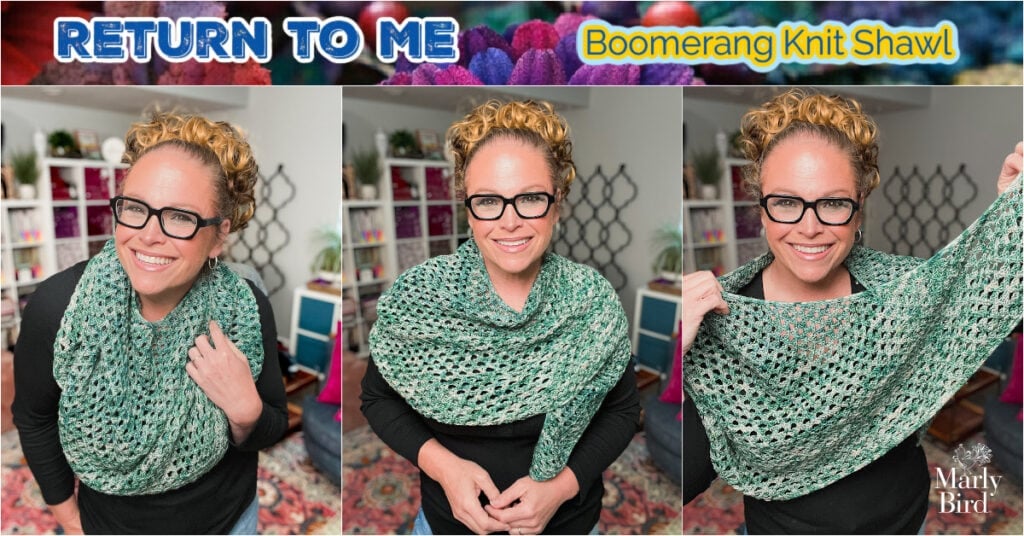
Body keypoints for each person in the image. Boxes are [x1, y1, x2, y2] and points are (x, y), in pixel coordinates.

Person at [682, 88, 1023, 534]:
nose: (809, 227)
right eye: (786, 202)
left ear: (859, 209)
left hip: (905, 522)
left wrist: (1011, 228)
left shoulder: (905, 291)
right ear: (760, 209)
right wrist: (681, 343)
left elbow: (1004, 307)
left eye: (833, 203)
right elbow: (687, 476)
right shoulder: (716, 318)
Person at [360, 100, 641, 535]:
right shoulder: (419, 299)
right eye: (489, 200)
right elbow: (378, 400)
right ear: (467, 207)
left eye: (530, 198)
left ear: (558, 202)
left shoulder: (592, 303)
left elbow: (622, 411)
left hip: (570, 523)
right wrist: (447, 469)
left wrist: (561, 487)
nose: (509, 221)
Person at [12, 111, 289, 534]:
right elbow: (34, 419)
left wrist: (245, 409)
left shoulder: (245, 308)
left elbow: (272, 425)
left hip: (232, 520)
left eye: (180, 217)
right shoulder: (58, 308)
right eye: (136, 208)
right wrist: (70, 520)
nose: (147, 235)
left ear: (219, 236)